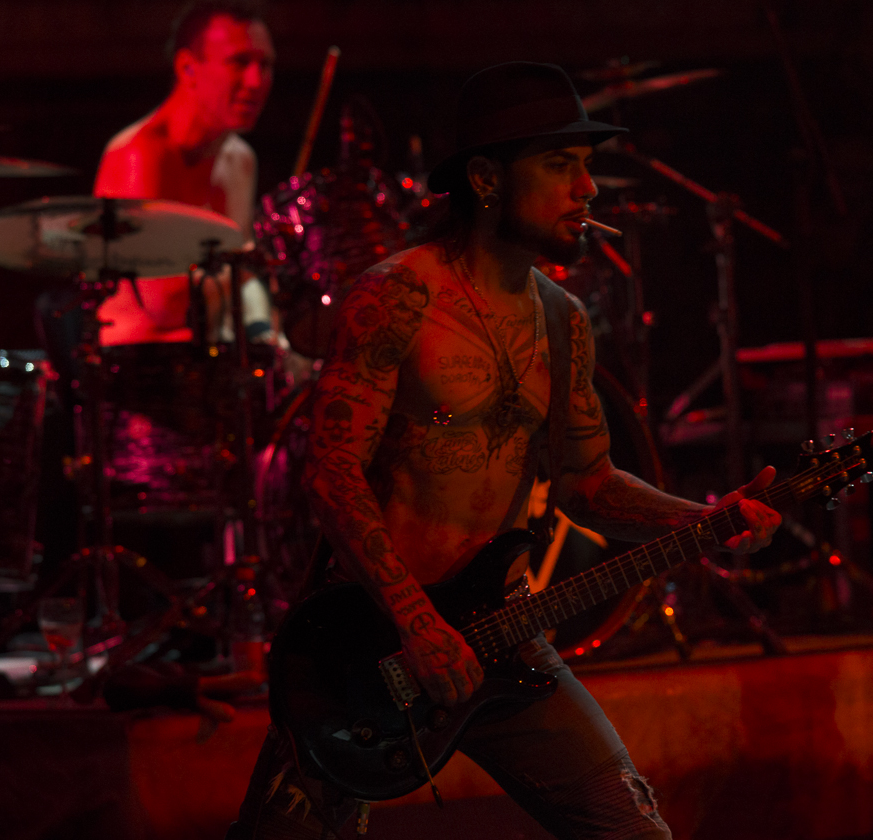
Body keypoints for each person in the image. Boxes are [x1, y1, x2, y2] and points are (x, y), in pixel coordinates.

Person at [230, 62, 782, 839]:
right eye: (560, 165)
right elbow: (330, 474)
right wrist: (416, 622)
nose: (587, 188)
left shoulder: (563, 320)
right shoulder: (397, 295)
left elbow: (588, 483)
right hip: (364, 647)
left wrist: (707, 518)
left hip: (502, 635)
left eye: (585, 165)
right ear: (487, 180)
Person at [92, 0, 275, 346]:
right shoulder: (137, 154)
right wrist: (253, 260)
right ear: (188, 68)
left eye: (265, 65)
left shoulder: (240, 159)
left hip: (212, 355)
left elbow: (240, 284)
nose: (256, 81)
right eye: (239, 62)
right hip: (140, 362)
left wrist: (265, 332)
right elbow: (163, 305)